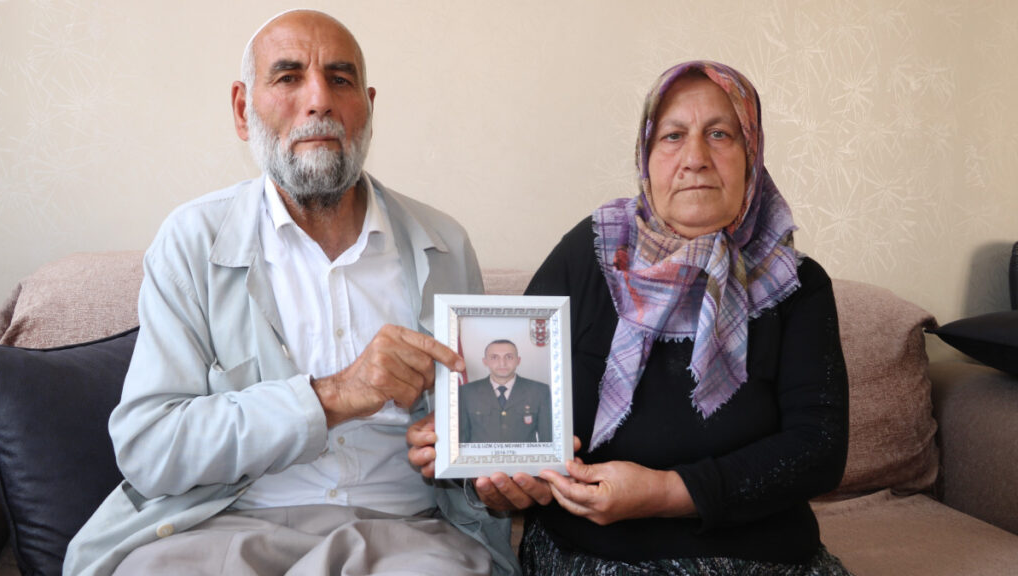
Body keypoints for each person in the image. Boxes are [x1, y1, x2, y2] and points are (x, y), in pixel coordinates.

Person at [63, 9, 518, 576]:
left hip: (406, 533)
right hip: (223, 526)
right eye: (288, 77)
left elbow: (481, 439)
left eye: (340, 79)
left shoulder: (444, 245)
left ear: (368, 107)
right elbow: (150, 447)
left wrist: (486, 473)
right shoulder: (191, 241)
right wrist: (332, 396)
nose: (319, 100)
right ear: (242, 108)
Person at [409, 61, 852, 575]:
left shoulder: (796, 284)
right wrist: (474, 451)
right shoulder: (591, 253)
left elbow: (819, 450)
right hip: (597, 555)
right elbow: (522, 401)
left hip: (763, 558)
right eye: (673, 136)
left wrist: (668, 492)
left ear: (751, 153)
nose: (695, 158)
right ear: (646, 154)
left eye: (719, 134)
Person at [459, 339, 553, 443]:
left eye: (509, 357)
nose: (502, 363)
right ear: (485, 361)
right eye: (494, 357)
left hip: (524, 454)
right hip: (480, 454)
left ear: (518, 360)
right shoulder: (467, 392)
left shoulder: (539, 391)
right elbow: (462, 440)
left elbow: (547, 440)